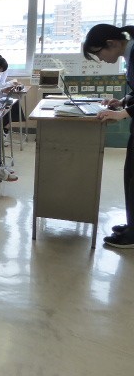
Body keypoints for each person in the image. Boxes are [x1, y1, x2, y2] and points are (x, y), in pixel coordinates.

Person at [84, 24, 134, 248]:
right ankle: (132, 226)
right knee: (130, 177)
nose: (101, 59)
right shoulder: (130, 54)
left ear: (111, 44)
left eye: (99, 54)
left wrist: (122, 113)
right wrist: (122, 102)